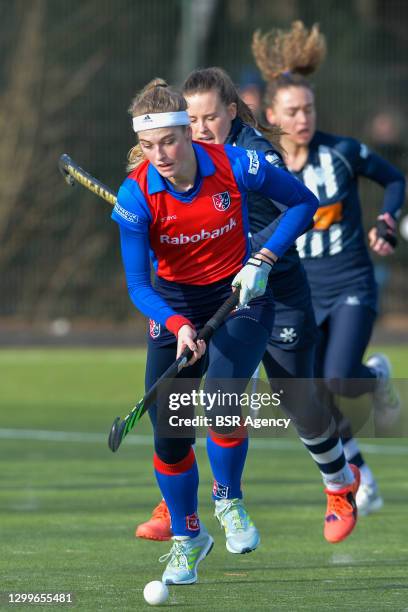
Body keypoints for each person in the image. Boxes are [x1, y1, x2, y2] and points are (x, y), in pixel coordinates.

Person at [124, 75, 361, 571]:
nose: (160, 155)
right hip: (174, 307)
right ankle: (188, 536)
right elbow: (139, 286)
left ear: (188, 136)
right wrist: (176, 324)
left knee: (225, 397)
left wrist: (264, 258)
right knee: (169, 433)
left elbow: (303, 203)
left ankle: (230, 500)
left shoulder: (237, 162)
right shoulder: (136, 193)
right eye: (148, 146)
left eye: (169, 140)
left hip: (242, 295)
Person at [252, 21, 406, 515]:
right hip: (301, 293)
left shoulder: (341, 153)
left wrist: (387, 220)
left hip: (351, 283)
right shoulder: (266, 168)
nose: (302, 119)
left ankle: (375, 379)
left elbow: (396, 180)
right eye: (292, 111)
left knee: (339, 379)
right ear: (272, 115)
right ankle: (358, 476)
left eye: (309, 109)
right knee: (306, 396)